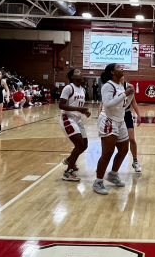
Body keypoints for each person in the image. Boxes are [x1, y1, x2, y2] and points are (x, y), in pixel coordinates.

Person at [94, 64, 135, 195]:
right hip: (108, 120)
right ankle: (98, 181)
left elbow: (124, 105)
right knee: (108, 152)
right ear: (112, 72)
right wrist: (125, 94)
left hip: (120, 119)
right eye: (118, 67)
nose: (122, 68)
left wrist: (130, 96)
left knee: (124, 150)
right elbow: (108, 104)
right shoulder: (108, 85)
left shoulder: (120, 86)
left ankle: (113, 174)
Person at [59, 68, 91, 181]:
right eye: (77, 72)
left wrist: (84, 111)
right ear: (72, 77)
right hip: (68, 118)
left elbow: (78, 105)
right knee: (79, 144)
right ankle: (68, 172)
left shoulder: (82, 89)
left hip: (78, 119)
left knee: (85, 145)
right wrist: (80, 109)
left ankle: (70, 159)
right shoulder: (69, 88)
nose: (80, 73)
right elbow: (61, 105)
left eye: (80, 72)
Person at [123, 84, 143, 173]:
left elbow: (133, 101)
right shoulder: (112, 85)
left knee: (131, 138)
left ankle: (135, 161)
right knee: (116, 141)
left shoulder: (129, 86)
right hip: (116, 114)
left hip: (127, 114)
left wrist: (138, 114)